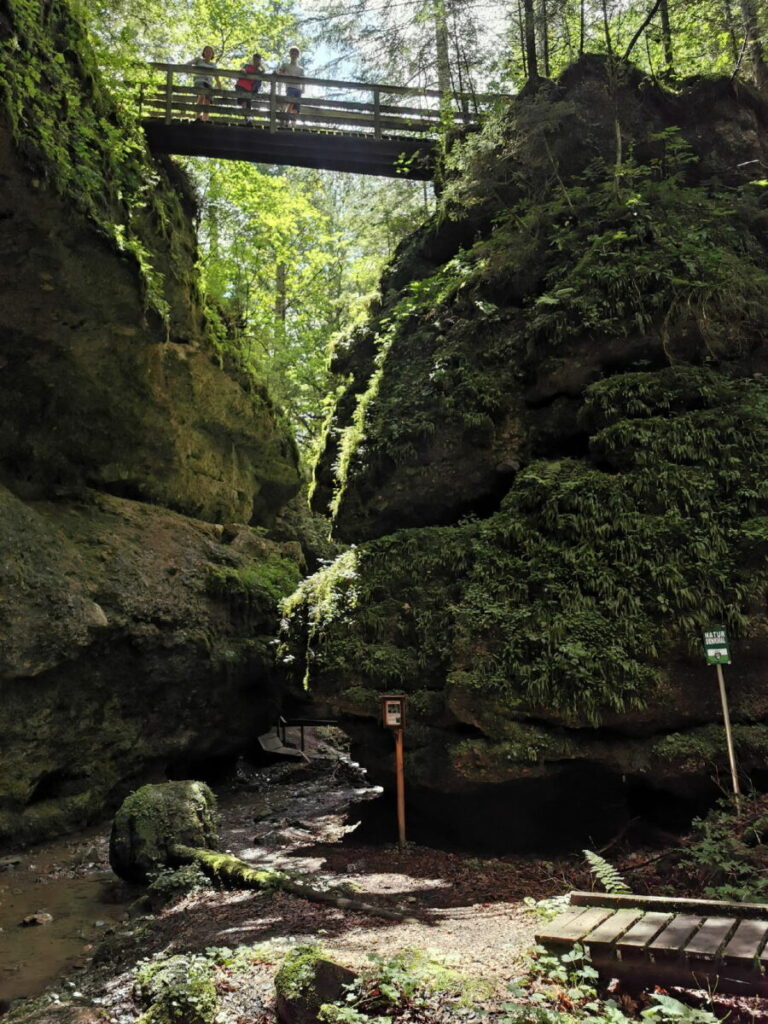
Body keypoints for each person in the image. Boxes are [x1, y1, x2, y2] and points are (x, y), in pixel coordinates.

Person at [190, 45, 219, 121]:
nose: (208, 53)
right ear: (204, 53)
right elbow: (188, 63)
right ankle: (197, 117)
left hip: (209, 83)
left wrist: (219, 85)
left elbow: (217, 77)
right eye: (207, 51)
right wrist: (183, 67)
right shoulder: (198, 60)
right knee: (202, 95)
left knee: (207, 101)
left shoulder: (213, 65)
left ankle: (205, 120)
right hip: (199, 81)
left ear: (212, 54)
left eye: (210, 51)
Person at [235, 52, 264, 123]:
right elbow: (242, 70)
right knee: (244, 101)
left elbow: (263, 72)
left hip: (249, 89)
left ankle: (247, 119)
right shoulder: (247, 66)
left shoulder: (258, 71)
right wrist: (243, 71)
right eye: (254, 60)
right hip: (241, 85)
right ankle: (246, 119)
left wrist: (260, 66)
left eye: (257, 60)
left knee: (248, 104)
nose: (255, 61)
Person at [277, 46, 304, 118]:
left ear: (298, 55)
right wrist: (288, 75)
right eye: (292, 53)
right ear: (290, 54)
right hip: (290, 87)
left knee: (296, 108)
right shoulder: (285, 65)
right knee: (290, 102)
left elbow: (304, 79)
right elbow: (279, 73)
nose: (294, 55)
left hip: (298, 89)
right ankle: (285, 119)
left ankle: (291, 123)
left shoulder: (301, 69)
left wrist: (303, 89)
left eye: (296, 54)